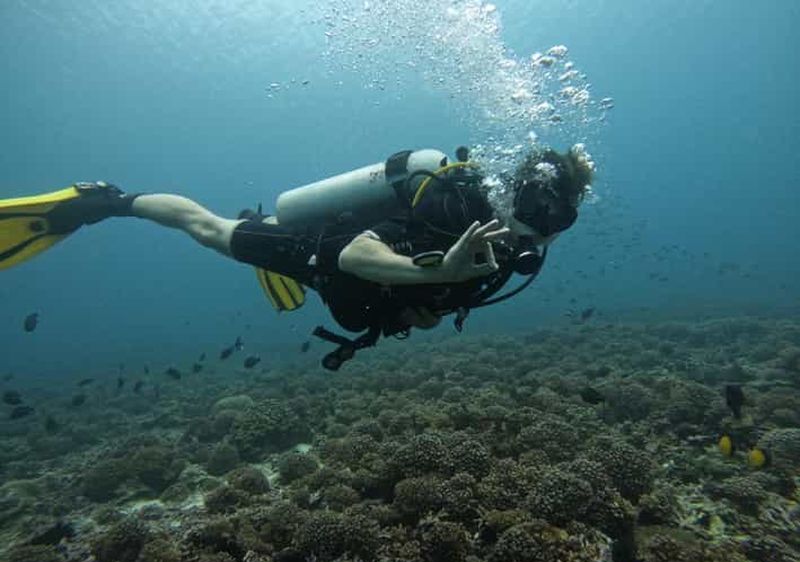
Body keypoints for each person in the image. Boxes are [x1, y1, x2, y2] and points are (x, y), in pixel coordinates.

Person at [0, 144, 594, 369]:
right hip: (326, 256)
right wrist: (432, 269)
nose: (542, 228)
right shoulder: (450, 205)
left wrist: (429, 301)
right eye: (538, 209)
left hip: (364, 304)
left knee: (257, 235)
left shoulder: (520, 259)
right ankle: (105, 202)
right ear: (515, 194)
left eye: (558, 219)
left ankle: (263, 222)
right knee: (209, 229)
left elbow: (438, 300)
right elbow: (359, 253)